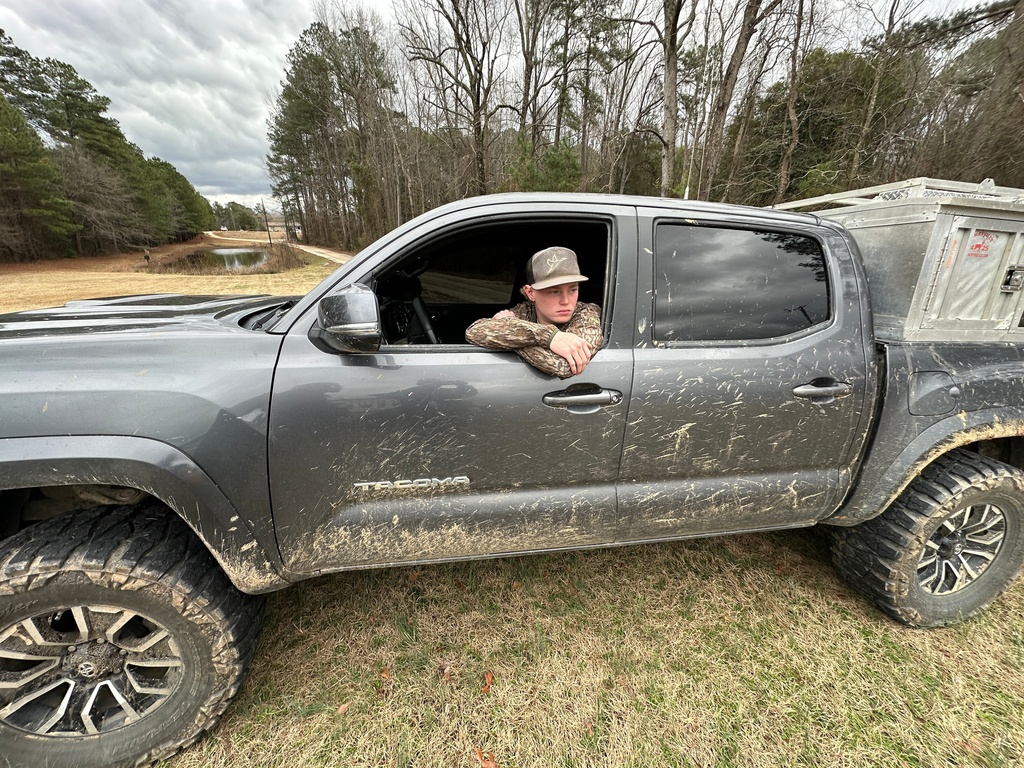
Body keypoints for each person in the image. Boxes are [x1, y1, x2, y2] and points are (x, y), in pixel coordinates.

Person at [465, 246, 602, 378]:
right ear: (530, 293)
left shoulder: (587, 313)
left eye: (573, 290)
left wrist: (510, 330)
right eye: (555, 291)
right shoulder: (525, 311)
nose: (566, 301)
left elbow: (564, 366)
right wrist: (549, 337)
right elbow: (474, 331)